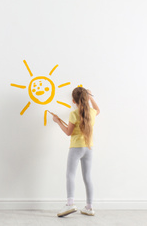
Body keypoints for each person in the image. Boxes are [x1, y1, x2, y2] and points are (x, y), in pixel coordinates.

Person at [51, 87, 100, 217]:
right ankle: (89, 207)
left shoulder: (74, 114)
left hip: (76, 148)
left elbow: (68, 132)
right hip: (89, 148)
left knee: (70, 175)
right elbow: (98, 110)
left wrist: (57, 121)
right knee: (87, 177)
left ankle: (70, 203)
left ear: (73, 100)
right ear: (86, 98)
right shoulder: (92, 112)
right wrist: (91, 97)